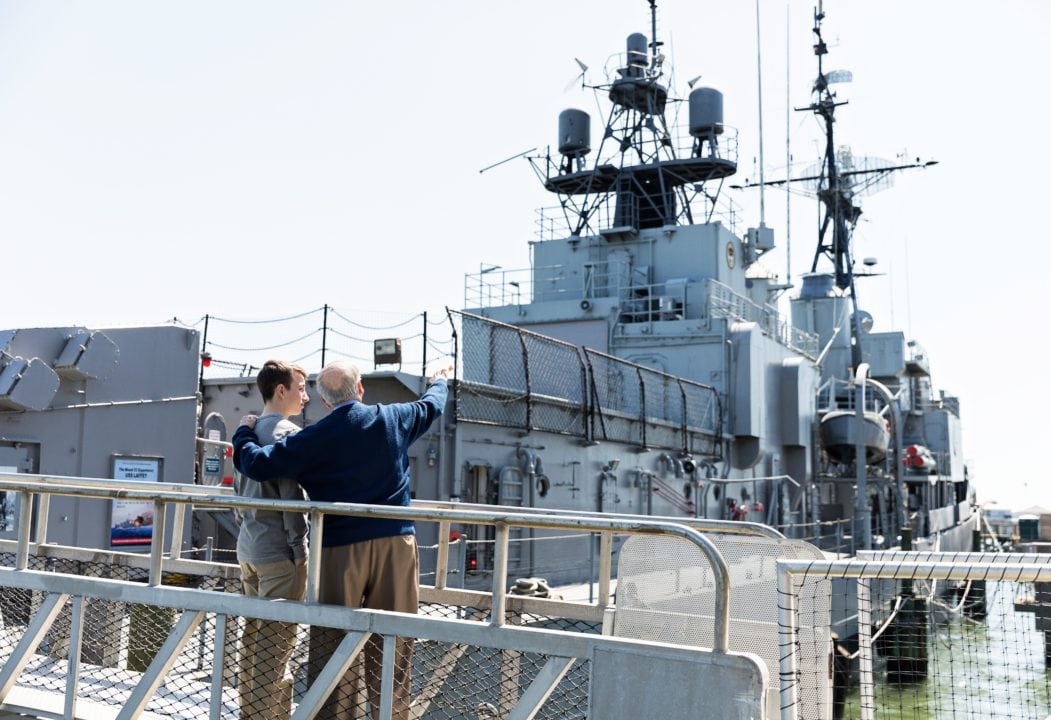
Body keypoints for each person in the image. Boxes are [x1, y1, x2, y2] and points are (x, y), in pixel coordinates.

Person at [233, 360, 450, 720]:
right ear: (360, 388)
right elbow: (432, 405)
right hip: (395, 544)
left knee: (333, 646)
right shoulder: (393, 418)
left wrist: (243, 432)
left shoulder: (314, 438)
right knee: (394, 644)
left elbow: (255, 463)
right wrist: (438, 381)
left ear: (325, 401)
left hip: (338, 549)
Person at [235, 359, 310, 720]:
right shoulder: (286, 435)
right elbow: (291, 502)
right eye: (301, 388)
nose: (305, 397)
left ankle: (251, 714)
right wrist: (300, 551)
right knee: (275, 648)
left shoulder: (246, 434)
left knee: (251, 644)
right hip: (280, 554)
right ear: (281, 391)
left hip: (249, 548)